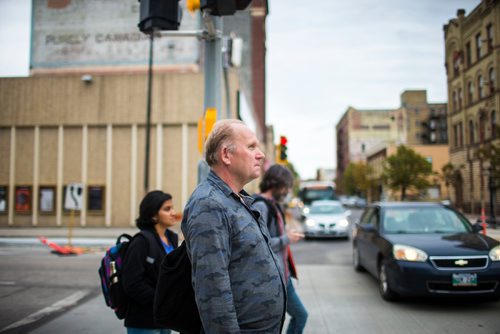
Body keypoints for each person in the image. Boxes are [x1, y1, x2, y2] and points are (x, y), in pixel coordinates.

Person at [181, 119, 286, 333]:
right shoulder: (209, 204)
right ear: (226, 155)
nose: (261, 154)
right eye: (251, 147)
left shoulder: (236, 199)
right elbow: (212, 290)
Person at [253, 165, 308, 334]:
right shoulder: (261, 206)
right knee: (295, 317)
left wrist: (286, 235)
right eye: (286, 186)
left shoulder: (274, 204)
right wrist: (286, 239)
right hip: (273, 279)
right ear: (276, 184)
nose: (287, 191)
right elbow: (260, 244)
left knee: (299, 316)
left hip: (283, 276)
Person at [122, 190, 178, 334]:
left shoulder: (172, 238)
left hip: (164, 319)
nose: (173, 212)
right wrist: (161, 300)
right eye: (167, 209)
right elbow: (132, 283)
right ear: (153, 215)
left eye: (172, 208)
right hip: (143, 321)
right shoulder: (141, 241)